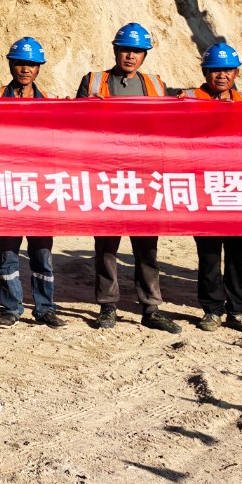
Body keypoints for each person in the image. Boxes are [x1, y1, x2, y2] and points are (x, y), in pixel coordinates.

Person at [76, 22, 179, 334]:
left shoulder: (156, 85)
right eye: (125, 50)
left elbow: (174, 122)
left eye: (136, 51)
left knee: (147, 246)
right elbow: (75, 125)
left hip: (145, 178)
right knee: (106, 246)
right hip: (107, 175)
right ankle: (108, 306)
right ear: (115, 51)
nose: (130, 56)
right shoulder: (93, 81)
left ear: (144, 55)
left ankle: (150, 307)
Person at [0, 36, 58, 330]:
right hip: (5, 186)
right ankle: (11, 308)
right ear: (11, 64)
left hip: (39, 189)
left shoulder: (51, 103)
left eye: (31, 64)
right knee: (8, 254)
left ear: (38, 68)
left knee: (42, 255)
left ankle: (45, 308)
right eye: (20, 63)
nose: (25, 69)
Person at [185, 41, 242, 335]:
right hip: (205, 188)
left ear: (236, 72)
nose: (221, 75)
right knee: (210, 255)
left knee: (239, 254)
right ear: (205, 72)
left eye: (227, 70)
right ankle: (212, 310)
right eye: (215, 70)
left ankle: (238, 310)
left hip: (239, 188)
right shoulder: (187, 100)